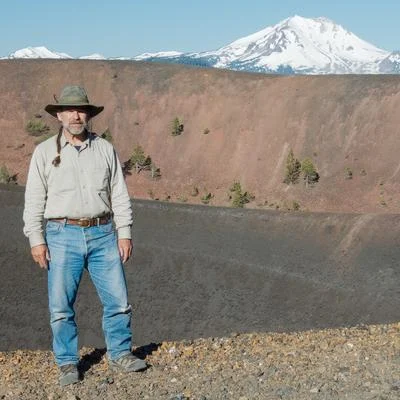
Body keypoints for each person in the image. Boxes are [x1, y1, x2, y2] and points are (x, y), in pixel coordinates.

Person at [23, 85, 147, 386]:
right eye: (70, 110)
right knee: (61, 306)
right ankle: (67, 362)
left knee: (118, 300)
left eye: (81, 110)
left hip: (103, 233)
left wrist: (124, 232)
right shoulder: (44, 152)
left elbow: (119, 193)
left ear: (88, 115)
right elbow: (34, 199)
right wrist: (36, 239)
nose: (76, 116)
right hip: (61, 234)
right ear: (59, 116)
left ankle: (120, 353)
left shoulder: (104, 149)